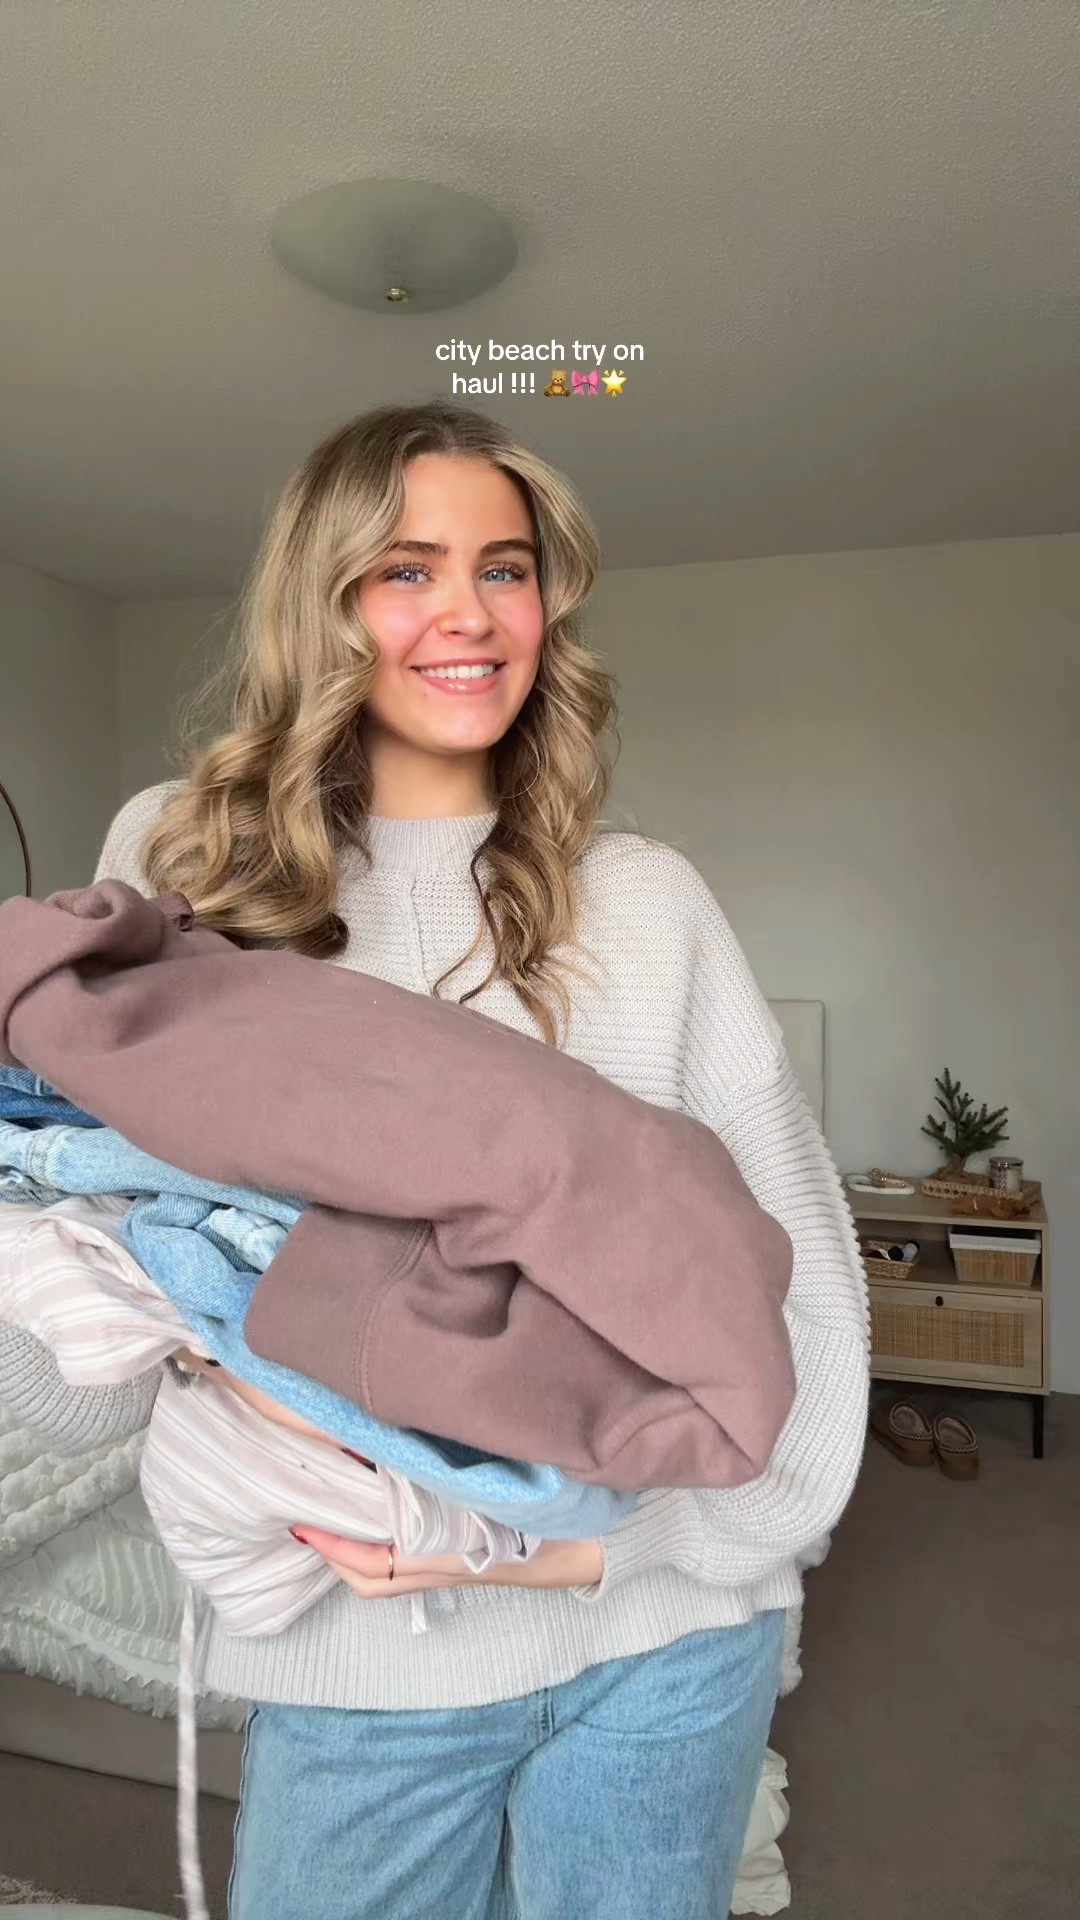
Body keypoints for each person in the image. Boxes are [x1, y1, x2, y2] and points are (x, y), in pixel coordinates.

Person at [0, 402, 869, 1920]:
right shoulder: (181, 868)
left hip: (664, 1647)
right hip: (358, 1672)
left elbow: (798, 1285)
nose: (469, 613)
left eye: (504, 568)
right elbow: (88, 1332)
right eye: (405, 569)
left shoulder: (646, 901)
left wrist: (598, 1556)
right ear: (320, 601)